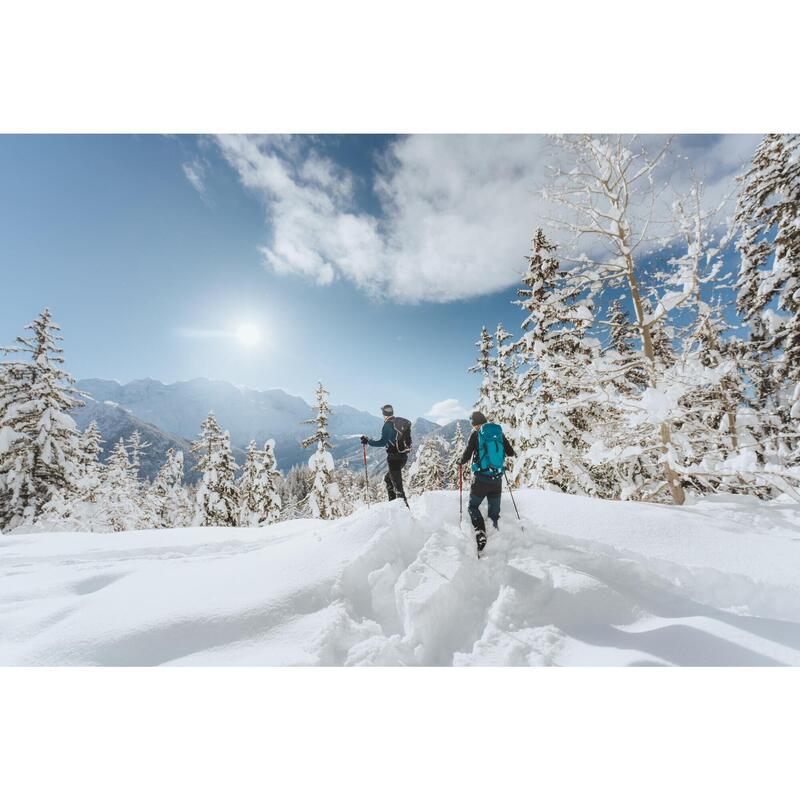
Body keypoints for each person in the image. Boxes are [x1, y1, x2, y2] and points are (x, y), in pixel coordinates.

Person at [459, 410, 515, 552]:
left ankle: (481, 532)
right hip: (497, 479)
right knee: (494, 511)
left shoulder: (476, 434)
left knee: (472, 507)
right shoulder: (498, 433)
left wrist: (460, 462)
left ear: (474, 424)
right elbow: (510, 452)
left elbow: (467, 454)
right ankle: (496, 533)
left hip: (481, 480)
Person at [361, 404, 411, 504]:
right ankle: (392, 505)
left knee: (398, 489)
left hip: (394, 459)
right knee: (388, 479)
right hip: (403, 457)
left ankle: (404, 512)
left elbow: (382, 442)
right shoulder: (399, 423)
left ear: (384, 414)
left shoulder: (387, 425)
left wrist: (368, 441)